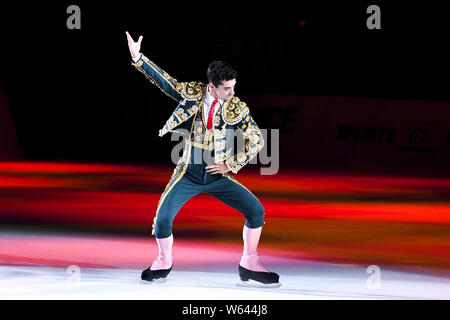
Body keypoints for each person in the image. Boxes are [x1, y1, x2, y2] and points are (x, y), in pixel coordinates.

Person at [125, 31, 280, 287]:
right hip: (188, 171)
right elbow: (166, 82)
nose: (232, 93)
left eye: (233, 87)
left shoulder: (237, 107)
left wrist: (231, 164)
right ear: (212, 87)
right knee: (162, 220)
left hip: (217, 175)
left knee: (256, 211)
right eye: (227, 88)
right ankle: (164, 260)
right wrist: (138, 58)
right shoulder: (194, 93)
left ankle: (249, 262)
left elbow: (257, 140)